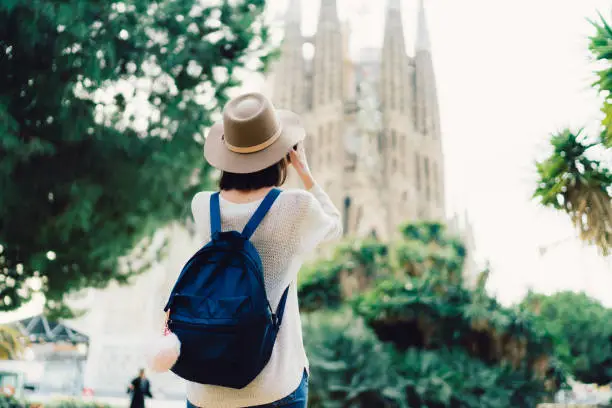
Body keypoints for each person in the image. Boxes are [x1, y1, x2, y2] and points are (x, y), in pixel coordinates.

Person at [185, 92, 342, 407]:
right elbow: (335, 226)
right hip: (273, 387)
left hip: (204, 390)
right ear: (282, 154)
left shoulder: (203, 205)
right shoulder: (297, 206)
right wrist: (306, 174)